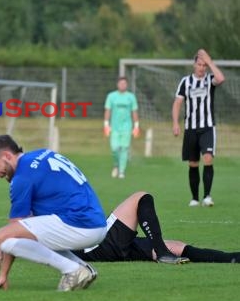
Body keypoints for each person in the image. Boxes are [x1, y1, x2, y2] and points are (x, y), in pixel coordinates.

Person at [0, 135, 107, 292]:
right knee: (15, 235)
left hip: (80, 224)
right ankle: (83, 268)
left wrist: (3, 273)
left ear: (7, 156)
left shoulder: (22, 177)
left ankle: (73, 270)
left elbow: (12, 231)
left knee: (2, 237)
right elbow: (27, 224)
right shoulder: (43, 153)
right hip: (97, 222)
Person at [73, 191, 239, 263]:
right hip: (96, 245)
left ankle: (233, 258)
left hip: (99, 246)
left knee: (176, 246)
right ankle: (162, 254)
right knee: (141, 197)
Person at [172, 49, 225, 207]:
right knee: (193, 163)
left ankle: (207, 196)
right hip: (190, 129)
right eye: (199, 64)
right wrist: (175, 123)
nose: (202, 67)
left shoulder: (210, 80)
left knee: (208, 158)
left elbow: (221, 78)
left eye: (204, 65)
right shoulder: (186, 82)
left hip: (207, 127)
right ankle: (195, 198)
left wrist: (210, 61)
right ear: (194, 65)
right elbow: (177, 103)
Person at [103, 76, 140, 179]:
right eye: (121, 83)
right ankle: (116, 165)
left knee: (124, 148)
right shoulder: (111, 96)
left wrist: (136, 126)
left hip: (127, 128)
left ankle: (121, 171)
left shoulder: (131, 97)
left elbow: (134, 111)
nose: (122, 85)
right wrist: (106, 124)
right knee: (114, 148)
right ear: (117, 84)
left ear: (126, 85)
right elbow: (108, 110)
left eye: (124, 83)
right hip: (114, 128)